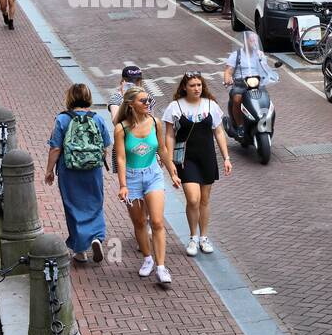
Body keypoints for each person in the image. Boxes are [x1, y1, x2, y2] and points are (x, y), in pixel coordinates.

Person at [113, 86, 179, 286]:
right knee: (140, 222)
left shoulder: (155, 123)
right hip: (132, 178)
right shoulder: (121, 128)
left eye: (149, 100)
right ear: (131, 104)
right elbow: (121, 158)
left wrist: (172, 172)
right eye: (143, 101)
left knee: (157, 222)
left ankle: (161, 267)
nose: (148, 104)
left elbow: (162, 149)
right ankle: (147, 258)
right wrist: (123, 185)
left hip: (153, 175)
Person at [162, 73, 231, 258]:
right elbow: (169, 135)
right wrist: (169, 161)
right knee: (193, 199)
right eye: (192, 85)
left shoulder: (211, 105)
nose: (197, 88)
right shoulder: (174, 107)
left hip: (206, 157)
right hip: (186, 159)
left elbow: (218, 132)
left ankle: (204, 237)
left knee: (204, 200)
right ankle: (193, 236)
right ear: (184, 87)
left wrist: (226, 157)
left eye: (199, 85)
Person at [45, 83, 113, 263]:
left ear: (70, 98)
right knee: (95, 203)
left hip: (69, 170)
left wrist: (49, 170)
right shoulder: (97, 119)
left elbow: (55, 148)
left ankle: (80, 250)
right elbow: (106, 144)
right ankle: (97, 237)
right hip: (93, 170)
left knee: (72, 206)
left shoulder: (62, 119)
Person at [222, 32, 277, 127]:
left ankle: (267, 125)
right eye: (251, 40)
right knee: (237, 99)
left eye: (255, 40)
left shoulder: (259, 55)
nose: (254, 42)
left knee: (267, 100)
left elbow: (265, 68)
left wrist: (271, 75)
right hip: (240, 84)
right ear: (245, 41)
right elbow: (228, 71)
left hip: (257, 84)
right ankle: (240, 126)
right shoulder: (236, 55)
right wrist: (228, 79)